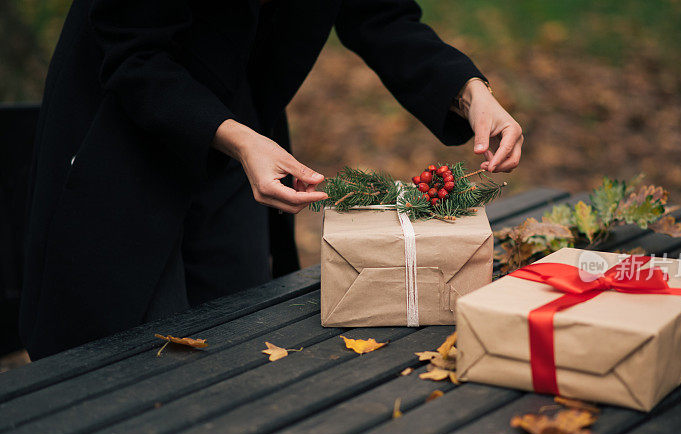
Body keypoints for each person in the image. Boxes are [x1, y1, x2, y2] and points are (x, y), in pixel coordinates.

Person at [20, 0, 524, 359]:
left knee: (240, 349)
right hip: (120, 149)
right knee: (137, 369)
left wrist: (469, 93)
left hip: (233, 150)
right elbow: (134, 53)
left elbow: (380, 14)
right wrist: (239, 139)